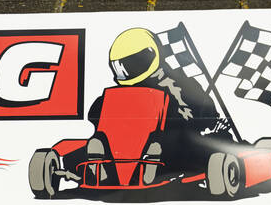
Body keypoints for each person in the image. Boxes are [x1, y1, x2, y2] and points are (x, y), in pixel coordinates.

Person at [89, 27, 233, 173]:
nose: (128, 70)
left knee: (211, 139)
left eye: (130, 63)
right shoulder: (182, 85)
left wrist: (208, 122)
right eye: (121, 66)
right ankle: (142, 160)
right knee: (211, 142)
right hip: (157, 142)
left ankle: (142, 161)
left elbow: (205, 113)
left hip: (156, 140)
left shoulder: (178, 85)